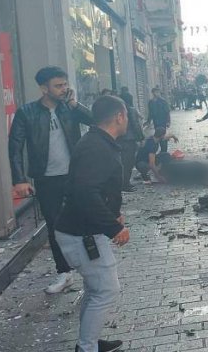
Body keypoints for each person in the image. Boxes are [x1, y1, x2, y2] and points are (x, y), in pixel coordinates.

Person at [54, 95, 129, 352]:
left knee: (94, 289)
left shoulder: (97, 142)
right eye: (126, 115)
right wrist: (114, 227)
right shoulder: (97, 147)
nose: (127, 120)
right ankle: (86, 348)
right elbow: (86, 192)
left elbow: (92, 188)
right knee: (106, 291)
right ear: (119, 116)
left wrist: (111, 214)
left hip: (81, 231)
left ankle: (88, 342)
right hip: (82, 234)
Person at [8, 66, 93, 295]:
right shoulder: (27, 113)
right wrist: (19, 179)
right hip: (47, 180)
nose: (64, 89)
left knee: (85, 222)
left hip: (75, 176)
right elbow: (15, 147)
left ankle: (91, 272)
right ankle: (64, 273)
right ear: (44, 88)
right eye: (58, 85)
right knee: (57, 228)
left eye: (65, 84)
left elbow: (95, 121)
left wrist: (75, 104)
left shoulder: (69, 109)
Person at [118, 94, 144, 192]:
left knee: (123, 163)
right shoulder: (130, 110)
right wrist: (141, 137)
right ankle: (125, 184)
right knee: (128, 163)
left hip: (120, 139)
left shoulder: (118, 111)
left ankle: (124, 183)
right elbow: (135, 124)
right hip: (129, 140)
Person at [145, 88, 171, 153]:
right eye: (155, 92)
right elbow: (150, 113)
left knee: (163, 135)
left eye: (158, 92)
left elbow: (167, 112)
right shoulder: (151, 102)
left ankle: (164, 151)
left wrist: (168, 122)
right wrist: (148, 121)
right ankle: (157, 149)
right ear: (153, 93)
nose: (157, 93)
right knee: (157, 135)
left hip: (163, 121)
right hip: (156, 122)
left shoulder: (163, 101)